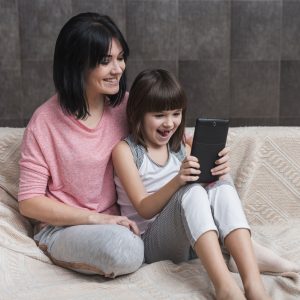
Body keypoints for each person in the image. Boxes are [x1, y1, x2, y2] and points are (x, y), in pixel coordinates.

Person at [112, 69, 272, 300]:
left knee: (221, 187)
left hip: (192, 242)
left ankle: (253, 283)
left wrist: (218, 173)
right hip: (151, 242)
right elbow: (144, 208)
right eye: (159, 115)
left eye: (176, 113)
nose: (169, 123)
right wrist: (178, 180)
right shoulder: (126, 151)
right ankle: (226, 288)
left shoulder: (180, 146)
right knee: (192, 190)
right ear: (138, 113)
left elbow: (208, 193)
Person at [17, 12, 144, 278]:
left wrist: (196, 150)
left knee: (206, 194)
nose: (118, 69)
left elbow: (168, 139)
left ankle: (243, 256)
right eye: (105, 61)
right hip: (63, 229)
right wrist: (95, 218)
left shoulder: (127, 106)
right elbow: (29, 202)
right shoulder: (44, 122)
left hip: (122, 222)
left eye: (120, 58)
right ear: (76, 65)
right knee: (124, 247)